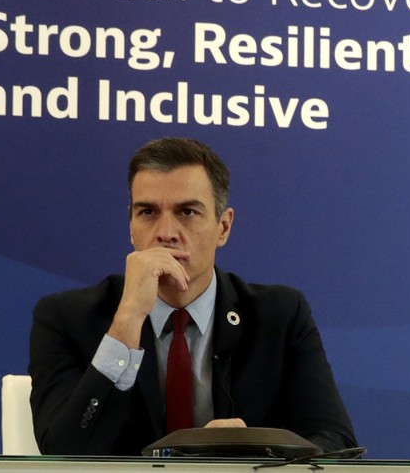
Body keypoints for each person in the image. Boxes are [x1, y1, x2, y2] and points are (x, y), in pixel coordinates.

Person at [28, 137, 357, 456]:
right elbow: (62, 454)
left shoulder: (281, 316)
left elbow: (337, 442)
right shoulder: (65, 318)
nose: (166, 232)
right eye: (147, 212)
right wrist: (126, 323)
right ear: (131, 226)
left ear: (223, 227)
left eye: (187, 212)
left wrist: (256, 451)